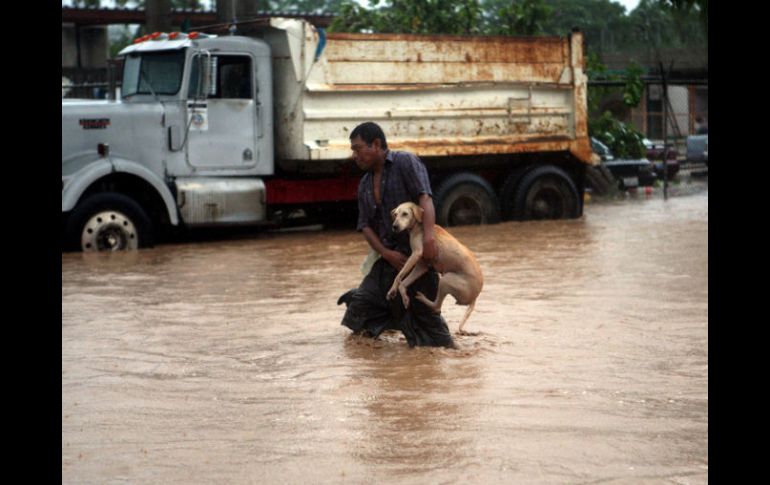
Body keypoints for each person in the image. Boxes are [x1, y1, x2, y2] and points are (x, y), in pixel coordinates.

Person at [338, 122, 455, 348]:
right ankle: (367, 298)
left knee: (435, 340)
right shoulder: (364, 184)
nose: (354, 155)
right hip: (387, 261)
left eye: (357, 148)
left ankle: (401, 319)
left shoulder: (405, 163)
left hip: (417, 259)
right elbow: (365, 226)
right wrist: (386, 254)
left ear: (376, 144)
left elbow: (425, 199)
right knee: (358, 315)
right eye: (353, 150)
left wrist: (429, 238)